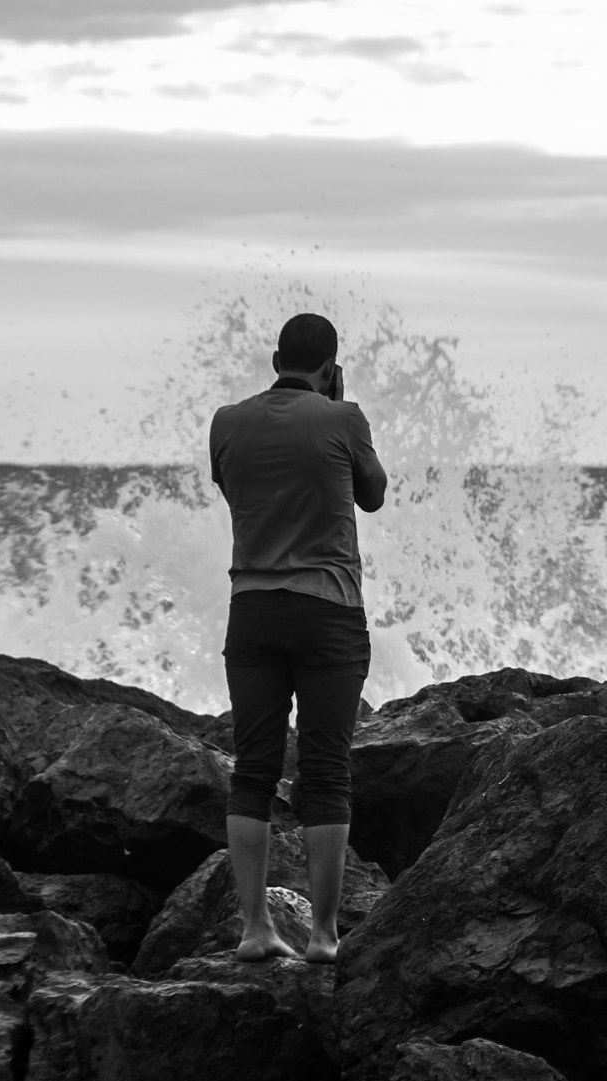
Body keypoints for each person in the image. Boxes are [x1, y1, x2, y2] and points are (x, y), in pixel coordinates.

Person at [209, 312, 387, 962]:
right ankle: (322, 934)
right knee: (326, 772)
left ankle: (255, 929)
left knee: (252, 769)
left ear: (275, 356)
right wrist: (335, 408)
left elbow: (235, 488)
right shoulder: (345, 418)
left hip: (252, 609)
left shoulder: (227, 420)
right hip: (328, 614)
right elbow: (373, 496)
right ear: (331, 365)